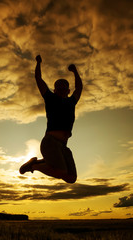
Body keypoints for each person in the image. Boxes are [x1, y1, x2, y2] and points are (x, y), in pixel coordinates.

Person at [19, 55, 83, 183]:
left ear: (68, 90)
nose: (61, 89)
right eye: (58, 87)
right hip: (50, 142)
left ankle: (40, 162)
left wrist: (75, 71)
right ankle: (33, 166)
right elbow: (38, 79)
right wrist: (38, 63)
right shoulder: (50, 98)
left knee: (71, 178)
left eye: (63, 87)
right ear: (54, 90)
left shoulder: (71, 102)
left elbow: (79, 88)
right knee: (61, 172)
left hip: (63, 146)